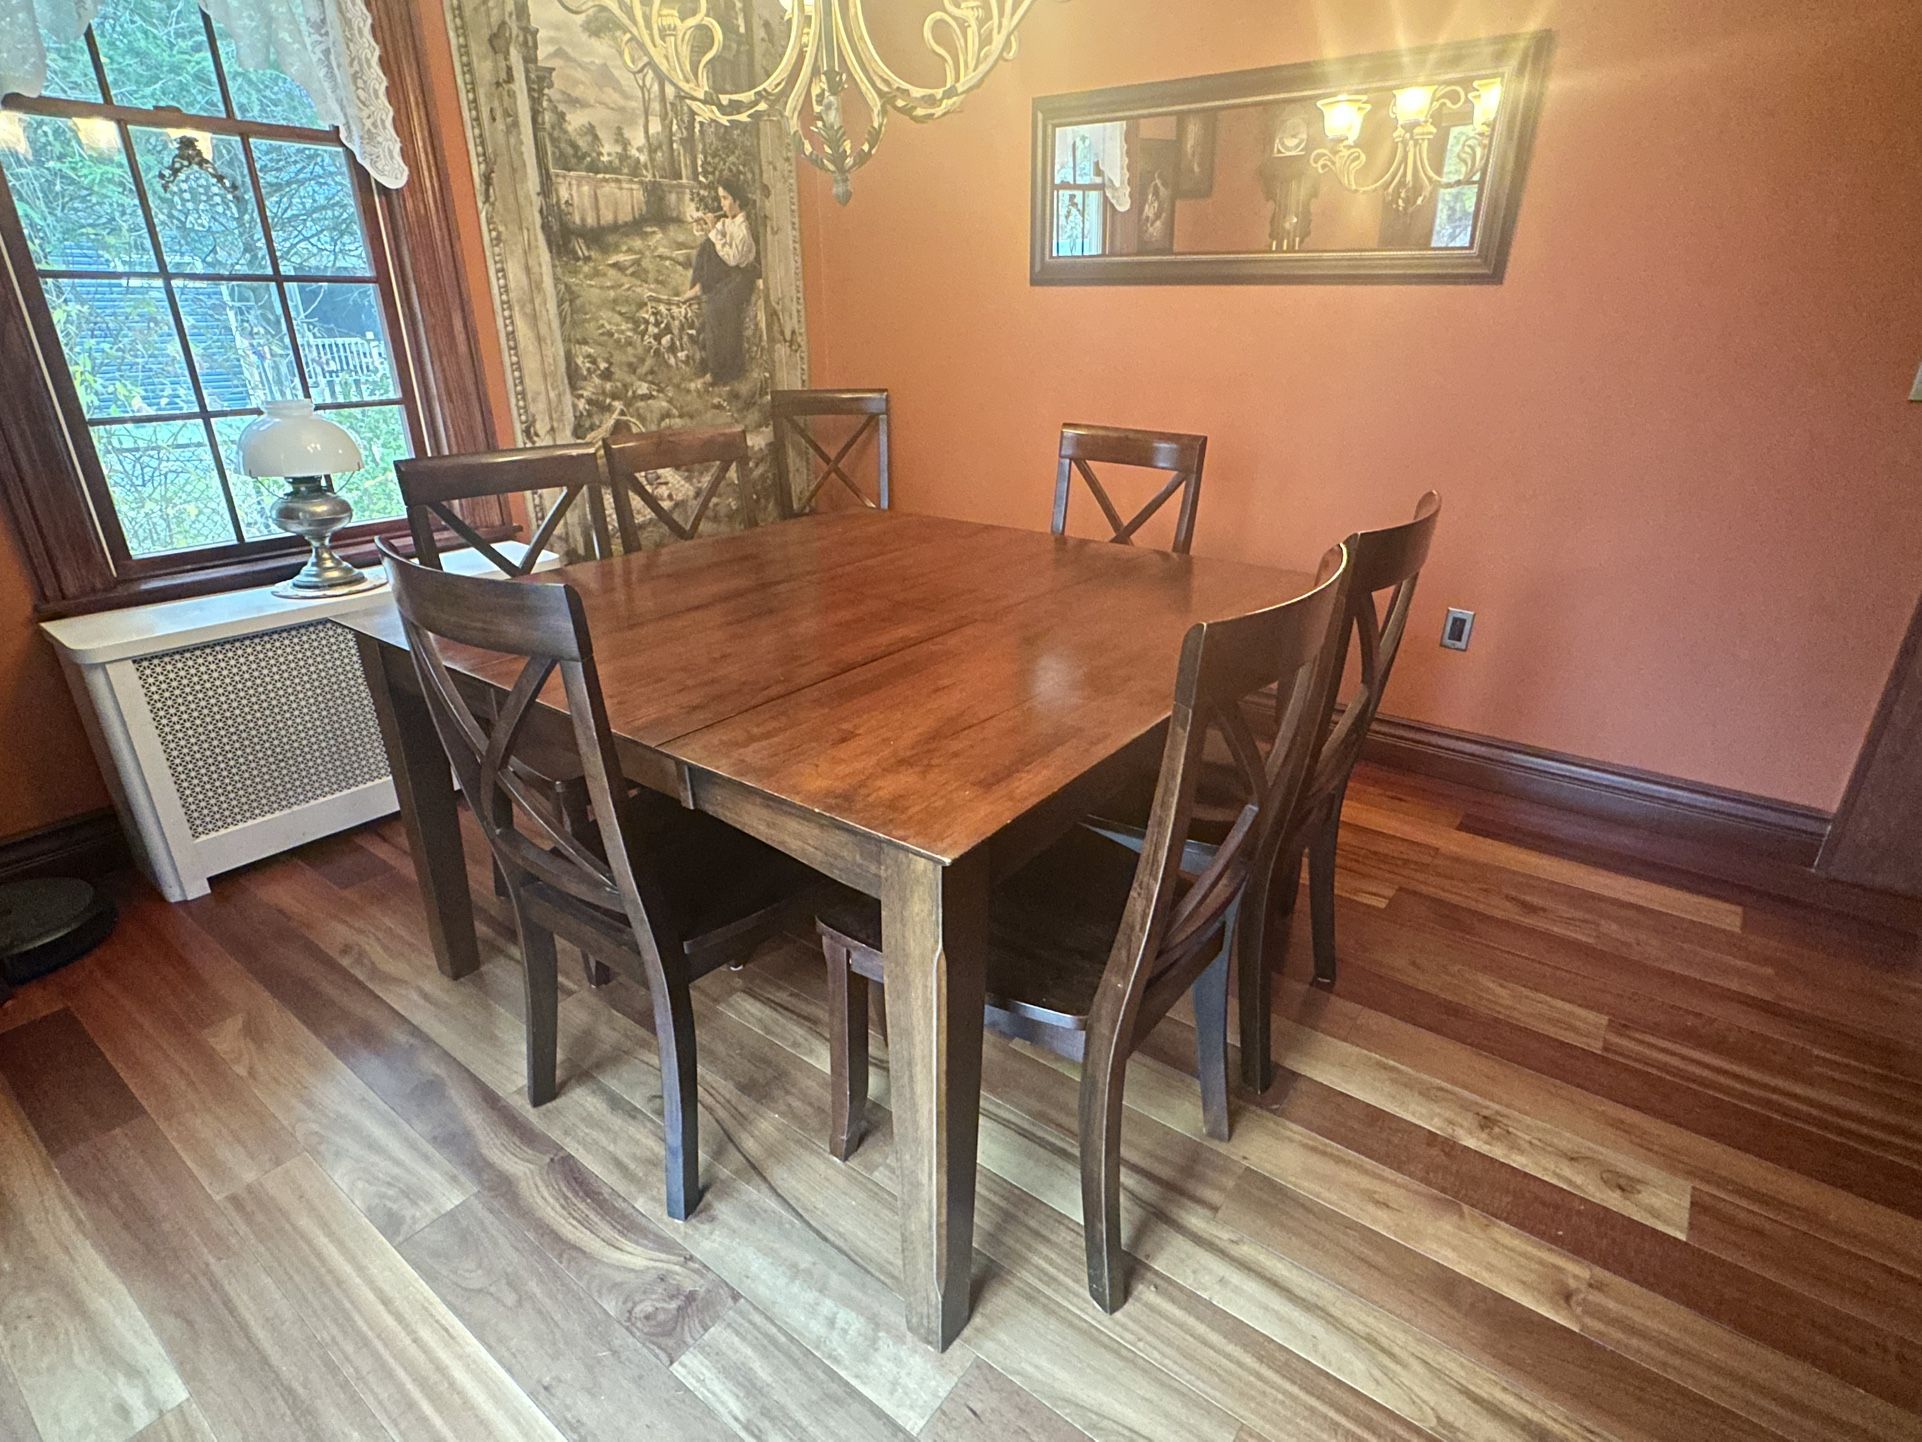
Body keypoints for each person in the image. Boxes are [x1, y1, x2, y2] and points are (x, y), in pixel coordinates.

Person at [682, 175, 758, 384]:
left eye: (725, 198)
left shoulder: (743, 229)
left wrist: (715, 230)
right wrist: (706, 225)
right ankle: (698, 287)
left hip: (742, 277)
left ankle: (720, 372)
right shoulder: (728, 222)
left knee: (717, 306)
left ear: (737, 201)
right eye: (721, 198)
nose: (722, 203)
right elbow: (712, 241)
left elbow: (733, 259)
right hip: (730, 274)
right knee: (706, 246)